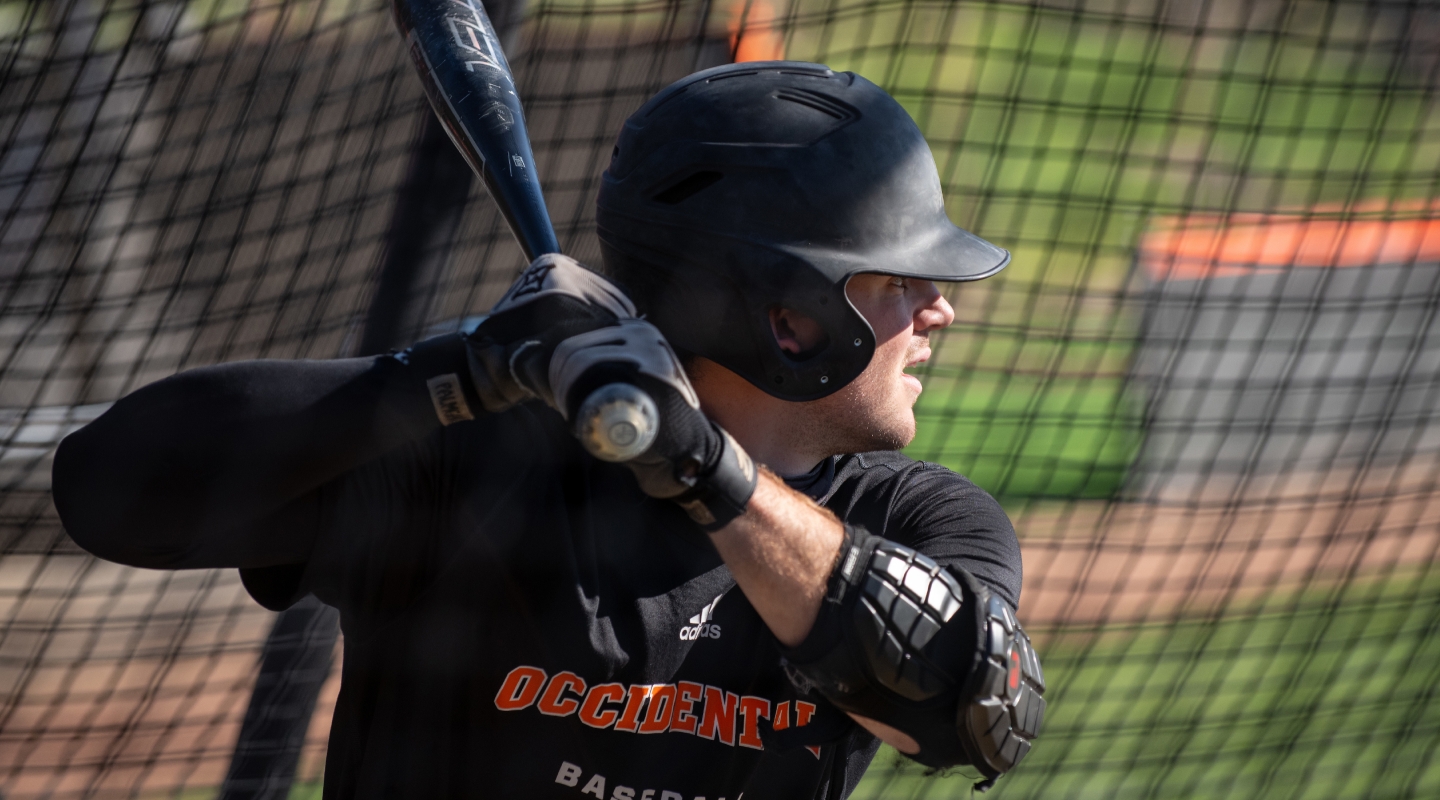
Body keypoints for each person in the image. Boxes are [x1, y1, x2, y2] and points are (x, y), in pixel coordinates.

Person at [51, 62, 1044, 800]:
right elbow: (108, 491)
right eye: (901, 277)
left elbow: (979, 707)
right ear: (792, 316)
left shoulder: (917, 515)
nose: (939, 310)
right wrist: (462, 367)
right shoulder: (474, 471)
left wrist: (703, 467)